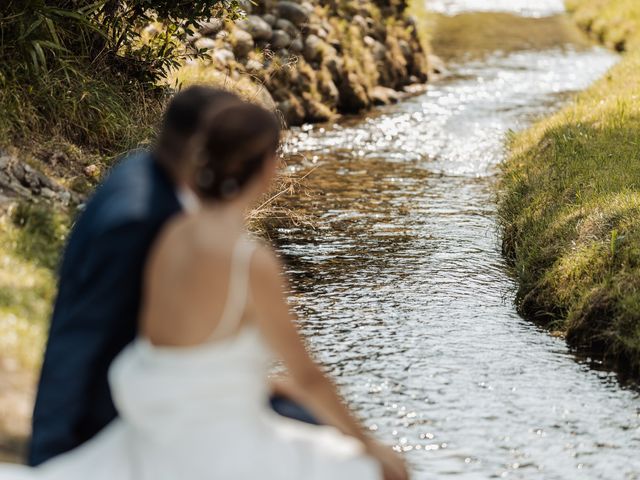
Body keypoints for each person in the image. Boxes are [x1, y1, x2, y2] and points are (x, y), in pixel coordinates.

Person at [0, 97, 409, 479]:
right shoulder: (249, 260)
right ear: (268, 168)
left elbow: (182, 351)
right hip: (213, 444)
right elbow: (309, 377)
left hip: (157, 423)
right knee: (372, 470)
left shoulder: (170, 231)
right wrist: (372, 448)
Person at [28, 86, 313, 468]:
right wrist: (53, 452)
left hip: (177, 394)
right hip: (135, 419)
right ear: (203, 146)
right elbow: (82, 336)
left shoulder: (145, 176)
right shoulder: (142, 221)